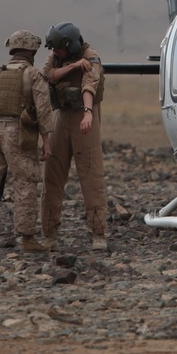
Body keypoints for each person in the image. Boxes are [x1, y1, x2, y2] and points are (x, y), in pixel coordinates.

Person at [0, 30, 55, 255]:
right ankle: (27, 239)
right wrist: (46, 141)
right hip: (18, 134)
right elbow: (44, 109)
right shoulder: (33, 74)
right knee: (26, 183)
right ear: (30, 51)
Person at [40, 22, 109, 252]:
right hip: (62, 116)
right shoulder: (56, 58)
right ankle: (49, 234)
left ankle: (99, 232)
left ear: (70, 46)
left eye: (58, 47)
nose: (54, 51)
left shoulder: (91, 56)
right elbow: (48, 75)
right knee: (52, 174)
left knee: (91, 175)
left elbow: (90, 84)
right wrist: (72, 67)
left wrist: (88, 112)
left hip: (84, 117)